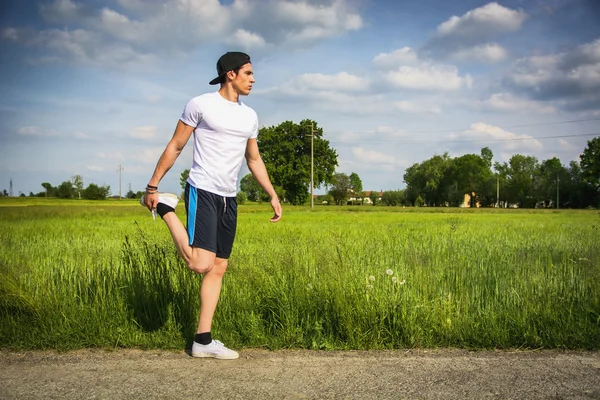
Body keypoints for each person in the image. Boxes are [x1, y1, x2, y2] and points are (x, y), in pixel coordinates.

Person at [141, 51, 282, 360]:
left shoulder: (250, 116)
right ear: (230, 74)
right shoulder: (200, 105)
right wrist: (153, 185)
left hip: (229, 198)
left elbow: (253, 158)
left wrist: (271, 193)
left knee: (218, 267)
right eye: (248, 73)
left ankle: (202, 341)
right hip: (202, 189)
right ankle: (166, 208)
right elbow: (176, 145)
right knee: (199, 263)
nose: (253, 79)